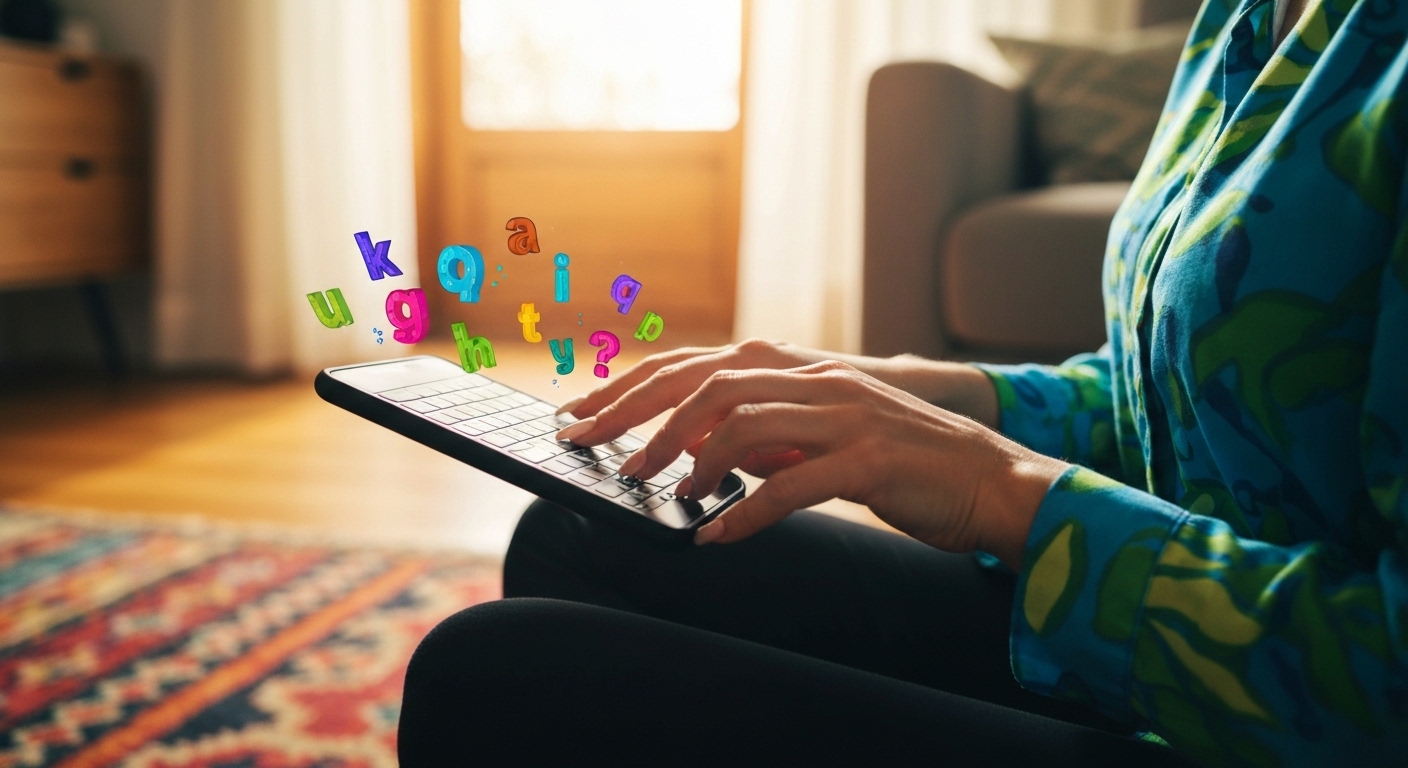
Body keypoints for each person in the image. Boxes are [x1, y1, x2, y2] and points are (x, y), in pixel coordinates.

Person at [399, 0, 1408, 764]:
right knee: (580, 534)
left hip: (1266, 704)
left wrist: (998, 490)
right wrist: (913, 393)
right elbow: (1174, 412)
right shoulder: (1245, 19)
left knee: (488, 675)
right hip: (1132, 645)